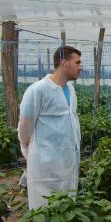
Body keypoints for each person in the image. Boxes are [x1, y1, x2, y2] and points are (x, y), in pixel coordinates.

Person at [17, 46, 82, 209]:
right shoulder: (38, 90)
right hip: (45, 164)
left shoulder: (71, 90)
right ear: (64, 62)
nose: (80, 67)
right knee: (44, 207)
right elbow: (25, 128)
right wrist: (30, 151)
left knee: (66, 207)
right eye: (77, 62)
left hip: (68, 161)